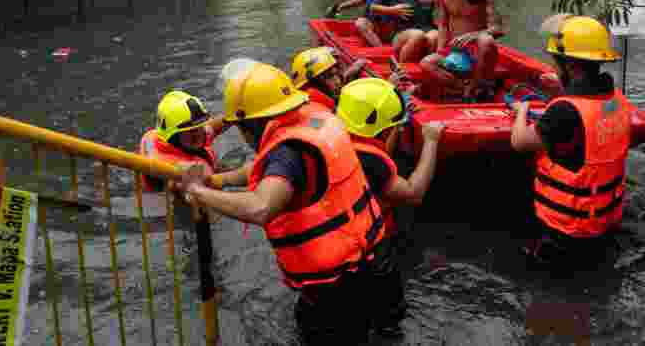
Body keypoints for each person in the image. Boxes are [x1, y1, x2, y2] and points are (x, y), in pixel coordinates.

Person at [172, 60, 387, 345]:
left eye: (240, 127)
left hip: (334, 285)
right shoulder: (312, 118)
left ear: (252, 123)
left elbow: (260, 207)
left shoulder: (287, 152)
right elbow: (265, 171)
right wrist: (218, 181)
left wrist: (198, 192)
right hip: (368, 257)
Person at [509, 15, 636, 266]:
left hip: (565, 230)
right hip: (604, 221)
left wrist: (521, 110)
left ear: (571, 66)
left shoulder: (564, 111)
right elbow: (586, 117)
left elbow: (520, 142)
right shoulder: (616, 100)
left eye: (558, 63)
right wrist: (562, 92)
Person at [334, 77, 445, 332]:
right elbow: (414, 193)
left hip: (335, 252)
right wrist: (431, 141)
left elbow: (378, 146)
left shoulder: (331, 138)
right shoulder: (371, 160)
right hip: (370, 254)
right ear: (383, 128)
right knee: (388, 323)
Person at [421, 0, 506, 100]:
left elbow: (498, 29)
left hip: (480, 53)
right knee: (426, 63)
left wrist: (473, 35)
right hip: (457, 54)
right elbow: (443, 24)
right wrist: (440, 51)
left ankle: (476, 86)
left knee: (486, 40)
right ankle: (465, 89)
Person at [139, 90, 226, 192]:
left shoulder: (184, 139)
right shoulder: (165, 167)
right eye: (190, 131)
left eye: (199, 127)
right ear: (173, 137)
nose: (198, 134)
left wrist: (233, 116)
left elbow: (212, 127)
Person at [289, 46, 368, 111]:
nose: (337, 81)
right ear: (313, 85)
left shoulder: (318, 98)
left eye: (337, 74)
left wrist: (347, 75)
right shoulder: (320, 111)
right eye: (330, 77)